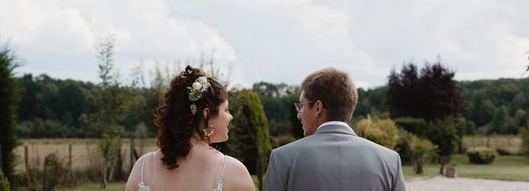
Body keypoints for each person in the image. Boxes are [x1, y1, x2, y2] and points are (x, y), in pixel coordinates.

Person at [264, 67, 405, 191]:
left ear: (318, 107)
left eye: (302, 106)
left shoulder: (282, 159)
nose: (298, 114)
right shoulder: (390, 161)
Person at [126, 65, 255, 191]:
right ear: (206, 114)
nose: (230, 117)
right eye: (226, 110)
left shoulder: (143, 168)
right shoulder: (232, 171)